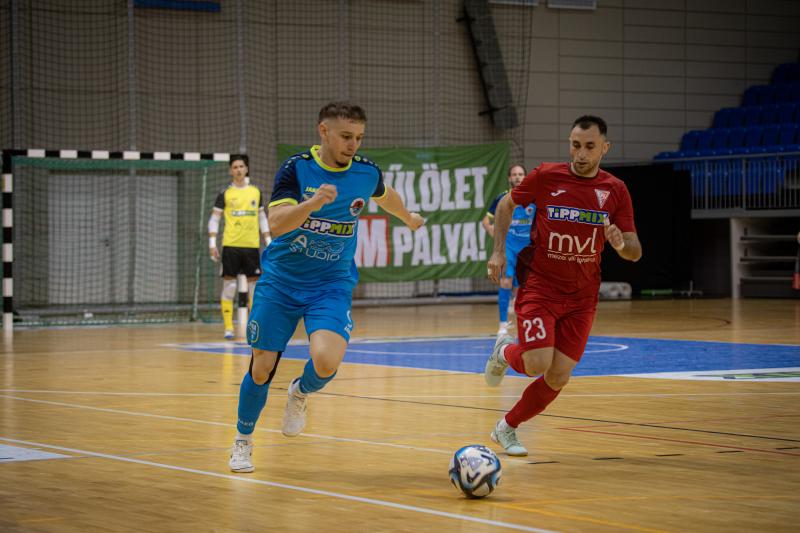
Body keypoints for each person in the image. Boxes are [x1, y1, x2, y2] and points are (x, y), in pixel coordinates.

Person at [228, 102, 425, 473]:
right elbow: (277, 222)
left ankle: (299, 392)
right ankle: (243, 439)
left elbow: (386, 195)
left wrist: (408, 217)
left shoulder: (366, 172)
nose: (353, 144)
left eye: (359, 137)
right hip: (281, 283)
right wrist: (315, 201)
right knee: (261, 368)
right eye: (346, 136)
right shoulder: (297, 168)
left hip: (330, 284)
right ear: (324, 131)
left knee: (326, 359)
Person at [484, 115, 642, 457]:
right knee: (537, 362)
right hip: (541, 286)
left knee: (558, 376)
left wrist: (620, 244)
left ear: (604, 148)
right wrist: (498, 251)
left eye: (589, 147)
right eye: (575, 145)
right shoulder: (546, 176)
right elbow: (505, 205)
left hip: (583, 297)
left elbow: (634, 251)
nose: (580, 154)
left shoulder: (615, 190)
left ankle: (506, 428)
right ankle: (505, 351)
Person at [208, 155, 272, 340]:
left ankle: (253, 327)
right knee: (230, 286)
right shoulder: (225, 193)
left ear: (246, 169)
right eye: (234, 167)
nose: (238, 170)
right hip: (231, 246)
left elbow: (262, 218)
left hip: (251, 246)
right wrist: (212, 243)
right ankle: (228, 327)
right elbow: (214, 219)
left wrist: (268, 242)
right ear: (230, 171)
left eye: (241, 166)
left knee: (255, 289)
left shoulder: (256, 192)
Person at [481, 164, 535, 337]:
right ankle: (503, 324)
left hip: (527, 248)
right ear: (509, 178)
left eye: (521, 174)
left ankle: (522, 323)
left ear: (526, 177)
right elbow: (485, 222)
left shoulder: (534, 197)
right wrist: (498, 237)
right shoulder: (502, 198)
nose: (518, 177)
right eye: (514, 174)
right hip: (509, 246)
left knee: (524, 288)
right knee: (505, 282)